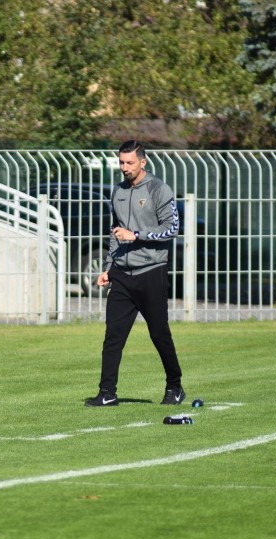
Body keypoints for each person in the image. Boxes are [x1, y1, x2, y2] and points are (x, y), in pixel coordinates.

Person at [85, 140, 185, 407]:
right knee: (113, 336)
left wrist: (138, 235)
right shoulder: (117, 191)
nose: (125, 167)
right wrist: (107, 268)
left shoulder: (159, 189)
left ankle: (174, 386)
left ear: (143, 162)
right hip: (122, 275)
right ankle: (107, 393)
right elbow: (116, 233)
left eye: (130, 162)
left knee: (158, 333)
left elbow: (172, 228)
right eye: (121, 162)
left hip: (151, 272)